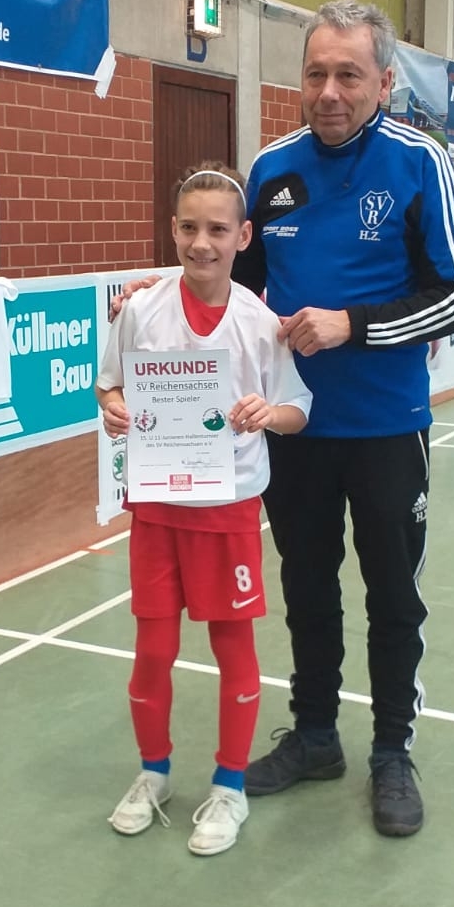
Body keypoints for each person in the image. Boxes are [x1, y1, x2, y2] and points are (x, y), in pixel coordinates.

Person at [238, 0, 454, 837]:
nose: (330, 92)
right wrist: (153, 307)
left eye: (349, 74)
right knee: (307, 589)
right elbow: (235, 292)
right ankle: (314, 737)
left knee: (392, 597)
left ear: (383, 81)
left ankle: (391, 751)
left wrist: (355, 325)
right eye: (316, 74)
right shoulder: (271, 169)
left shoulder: (418, 161)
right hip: (295, 429)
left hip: (386, 427)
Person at [96, 162, 312, 857]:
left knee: (232, 649)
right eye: (189, 227)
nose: (201, 243)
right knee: (153, 651)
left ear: (243, 237)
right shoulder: (140, 310)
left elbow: (299, 409)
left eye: (218, 230)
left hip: (227, 511)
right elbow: (108, 386)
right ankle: (153, 773)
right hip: (158, 507)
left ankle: (229, 786)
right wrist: (114, 409)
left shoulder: (261, 324)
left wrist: (268, 413)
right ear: (172, 230)